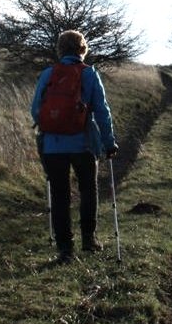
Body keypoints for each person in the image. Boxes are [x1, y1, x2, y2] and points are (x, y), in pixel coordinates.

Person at [30, 30, 118, 263]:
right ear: (82, 49)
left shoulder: (48, 74)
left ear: (60, 49)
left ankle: (65, 250)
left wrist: (52, 127)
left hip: (52, 146)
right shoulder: (89, 74)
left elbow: (36, 110)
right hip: (83, 144)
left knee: (60, 196)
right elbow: (102, 111)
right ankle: (89, 239)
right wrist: (109, 143)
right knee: (88, 190)